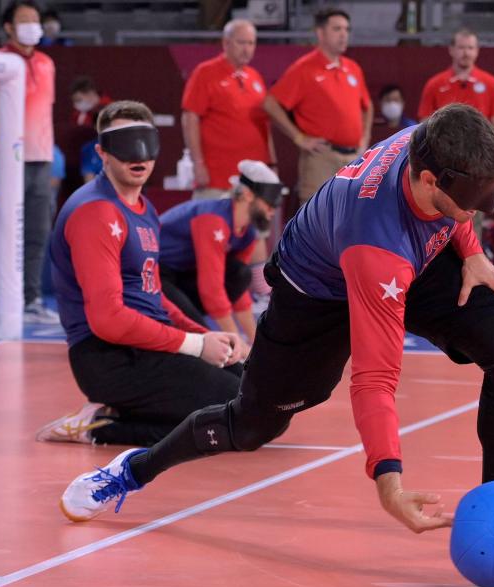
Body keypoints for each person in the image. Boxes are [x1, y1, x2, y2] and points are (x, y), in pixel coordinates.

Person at [58, 104, 494, 537]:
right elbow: (374, 379)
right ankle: (132, 470)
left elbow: (458, 207)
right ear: (431, 180)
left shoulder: (436, 136)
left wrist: (472, 252)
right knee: (250, 426)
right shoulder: (376, 243)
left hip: (410, 256)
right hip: (318, 295)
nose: (479, 211)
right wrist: (390, 486)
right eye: (474, 202)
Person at [36, 100, 249, 447]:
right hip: (110, 358)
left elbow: (153, 294)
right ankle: (102, 427)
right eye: (124, 144)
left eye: (145, 144)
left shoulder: (143, 207)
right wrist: (196, 346)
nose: (138, 156)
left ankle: (121, 413)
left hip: (146, 347)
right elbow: (108, 320)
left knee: (251, 393)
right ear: (103, 153)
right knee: (238, 415)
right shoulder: (96, 212)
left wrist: (208, 335)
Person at [0, 0, 58, 323]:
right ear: (9, 27)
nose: (33, 25)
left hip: (41, 159)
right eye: (25, 20)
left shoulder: (48, 63)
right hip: (7, 160)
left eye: (36, 20)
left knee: (37, 232)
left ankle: (31, 299)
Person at [158, 160, 284, 343]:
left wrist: (258, 343)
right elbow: (211, 287)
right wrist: (237, 343)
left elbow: (239, 289)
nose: (272, 210)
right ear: (248, 195)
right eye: (269, 203)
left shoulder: (247, 232)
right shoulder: (213, 220)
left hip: (184, 275)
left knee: (240, 273)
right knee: (205, 337)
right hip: (156, 273)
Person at [264, 8, 373, 202]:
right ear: (320, 33)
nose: (343, 35)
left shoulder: (352, 68)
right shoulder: (304, 68)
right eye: (337, 29)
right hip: (321, 157)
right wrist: (299, 138)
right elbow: (271, 104)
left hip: (353, 157)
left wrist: (364, 139)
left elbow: (367, 106)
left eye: (346, 30)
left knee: (350, 214)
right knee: (314, 216)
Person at [181, 19, 276, 200]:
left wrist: (271, 162)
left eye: (251, 43)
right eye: (241, 42)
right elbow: (190, 118)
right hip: (218, 177)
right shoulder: (205, 72)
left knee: (256, 228)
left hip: (254, 180)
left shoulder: (254, 77)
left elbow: (264, 124)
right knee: (214, 226)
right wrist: (197, 164)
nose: (247, 49)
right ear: (225, 43)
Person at [417, 28, 494, 140]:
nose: (466, 53)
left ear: (477, 51)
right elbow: (424, 126)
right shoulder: (434, 84)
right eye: (461, 47)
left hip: (480, 151)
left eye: (470, 48)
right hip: (443, 149)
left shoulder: (493, 84)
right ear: (451, 50)